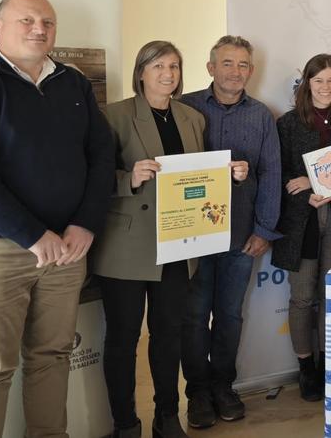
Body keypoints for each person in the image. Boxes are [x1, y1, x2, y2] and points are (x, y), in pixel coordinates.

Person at [0, 0, 114, 438]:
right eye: (26, 19)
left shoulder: (73, 83)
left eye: (47, 21)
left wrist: (85, 222)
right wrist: (33, 235)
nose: (39, 28)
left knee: (52, 357)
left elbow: (102, 154)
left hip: (67, 250)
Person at [90, 41, 247, 438]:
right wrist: (129, 178)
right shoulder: (114, 116)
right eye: (158, 65)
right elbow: (89, 179)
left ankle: (167, 416)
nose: (168, 74)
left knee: (168, 337)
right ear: (141, 72)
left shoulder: (192, 118)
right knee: (124, 340)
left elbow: (197, 177)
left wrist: (227, 173)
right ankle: (126, 423)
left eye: (175, 66)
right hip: (126, 249)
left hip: (178, 245)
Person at [179, 36, 281, 428]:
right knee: (193, 315)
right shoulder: (184, 107)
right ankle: (197, 391)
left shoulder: (261, 116)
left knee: (229, 316)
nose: (235, 71)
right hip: (193, 236)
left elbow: (271, 173)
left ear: (250, 72)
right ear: (210, 68)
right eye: (227, 63)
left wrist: (264, 229)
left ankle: (223, 385)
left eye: (242, 65)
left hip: (241, 235)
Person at [272, 54, 331, 403]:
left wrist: (311, 181)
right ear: (307, 84)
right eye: (318, 81)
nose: (325, 88)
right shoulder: (287, 124)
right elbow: (279, 175)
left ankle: (329, 363)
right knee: (301, 298)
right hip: (302, 220)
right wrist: (306, 192)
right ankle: (306, 367)